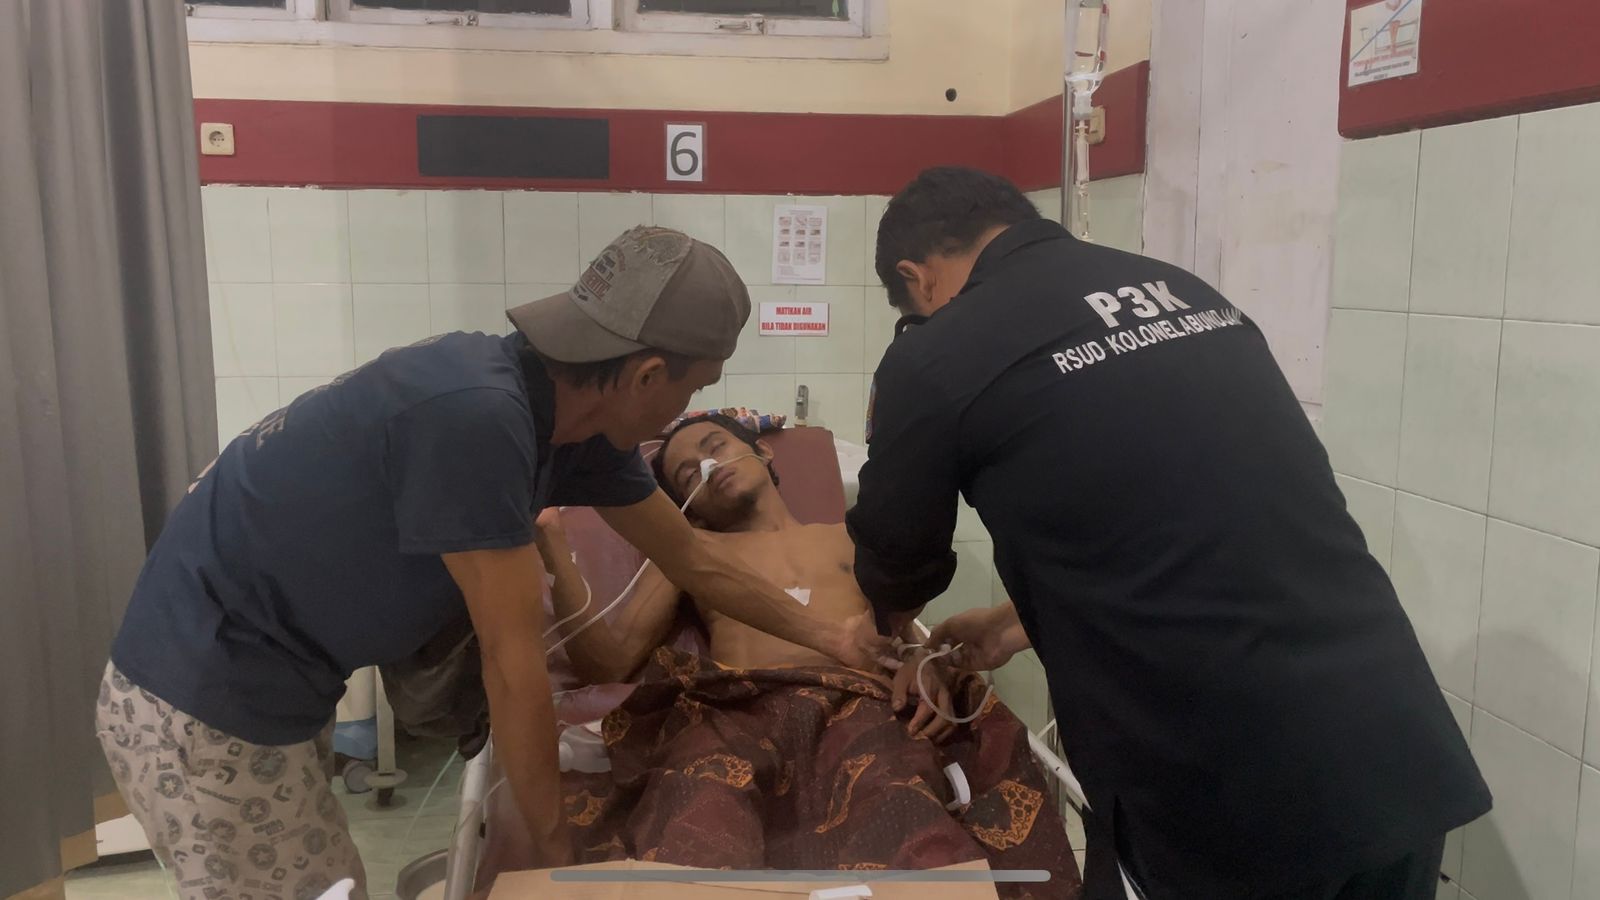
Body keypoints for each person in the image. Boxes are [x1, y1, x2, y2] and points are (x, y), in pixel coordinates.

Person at [95, 227, 887, 900]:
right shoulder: (476, 419)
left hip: (278, 683)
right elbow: (515, 668)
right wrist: (555, 855)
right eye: (693, 391)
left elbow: (694, 558)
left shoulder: (577, 428)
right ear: (647, 376)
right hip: (202, 693)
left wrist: (835, 639)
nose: (684, 415)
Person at [845, 167, 1492, 899]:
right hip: (1392, 749)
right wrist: (1011, 624)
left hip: (1228, 792)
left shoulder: (937, 352)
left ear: (917, 277)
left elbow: (896, 564)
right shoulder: (1187, 293)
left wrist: (888, 634)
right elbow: (1191, 520)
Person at [537, 412, 959, 741]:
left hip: (860, 708)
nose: (707, 465)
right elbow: (608, 665)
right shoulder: (692, 553)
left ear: (763, 451)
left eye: (716, 446)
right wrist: (552, 541)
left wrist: (924, 664)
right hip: (749, 720)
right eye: (688, 475)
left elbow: (903, 637)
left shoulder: (849, 537)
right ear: (689, 507)